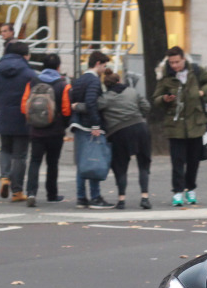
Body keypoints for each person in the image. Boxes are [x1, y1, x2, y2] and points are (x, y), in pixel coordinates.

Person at [153, 46, 207, 207]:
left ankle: (191, 189)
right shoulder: (165, 76)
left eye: (177, 61)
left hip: (195, 124)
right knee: (177, 161)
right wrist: (164, 99)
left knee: (193, 160)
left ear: (183, 59)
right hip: (175, 126)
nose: (174, 65)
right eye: (171, 62)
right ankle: (177, 192)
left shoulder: (195, 71)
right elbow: (156, 98)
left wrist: (202, 92)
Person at [0, 40, 38, 202]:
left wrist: (0, 108)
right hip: (23, 119)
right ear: (25, 55)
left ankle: (4, 177)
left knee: (5, 150)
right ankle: (17, 191)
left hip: (4, 117)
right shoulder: (30, 74)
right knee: (20, 156)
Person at [99, 69, 153, 210]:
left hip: (119, 133)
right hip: (140, 128)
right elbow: (146, 107)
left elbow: (92, 107)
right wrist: (138, 116)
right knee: (143, 164)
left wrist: (77, 106)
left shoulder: (105, 98)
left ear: (106, 85)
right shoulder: (132, 92)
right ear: (119, 81)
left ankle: (121, 200)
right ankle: (145, 198)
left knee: (120, 166)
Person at [23, 53, 72, 207]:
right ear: (58, 67)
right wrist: (63, 125)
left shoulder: (32, 82)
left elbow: (24, 106)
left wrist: (32, 121)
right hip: (55, 131)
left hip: (36, 130)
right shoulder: (63, 85)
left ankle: (31, 192)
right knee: (52, 163)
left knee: (35, 161)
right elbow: (66, 110)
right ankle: (52, 194)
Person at [70, 50, 113, 209]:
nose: (104, 69)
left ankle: (81, 197)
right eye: (104, 65)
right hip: (90, 126)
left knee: (83, 162)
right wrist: (96, 125)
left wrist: (77, 108)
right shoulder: (94, 81)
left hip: (79, 125)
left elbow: (74, 100)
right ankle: (95, 197)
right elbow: (91, 103)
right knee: (94, 160)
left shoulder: (80, 80)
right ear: (97, 64)